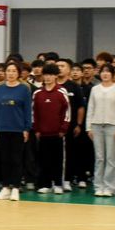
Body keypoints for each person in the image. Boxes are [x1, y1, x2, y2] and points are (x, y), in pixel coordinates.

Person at [87, 65, 115, 198]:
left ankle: (109, 187)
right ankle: (98, 186)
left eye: (108, 72)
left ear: (112, 74)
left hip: (112, 126)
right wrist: (88, 127)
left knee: (110, 158)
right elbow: (90, 108)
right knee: (99, 158)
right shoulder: (95, 89)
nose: (105, 74)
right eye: (103, 72)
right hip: (96, 125)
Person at [0, 62, 32, 201]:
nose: (11, 73)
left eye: (14, 71)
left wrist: (26, 128)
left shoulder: (24, 89)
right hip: (2, 128)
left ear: (18, 73)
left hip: (18, 129)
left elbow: (27, 110)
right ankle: (6, 187)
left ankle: (15, 187)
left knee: (16, 159)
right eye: (8, 70)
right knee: (5, 159)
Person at [32, 64, 70, 194]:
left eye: (51, 75)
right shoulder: (37, 93)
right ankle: (45, 184)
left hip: (57, 134)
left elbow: (67, 111)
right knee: (43, 160)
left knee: (58, 160)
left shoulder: (61, 92)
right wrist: (36, 129)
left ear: (55, 76)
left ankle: (58, 184)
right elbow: (34, 113)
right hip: (42, 134)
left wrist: (63, 129)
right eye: (46, 75)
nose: (48, 77)